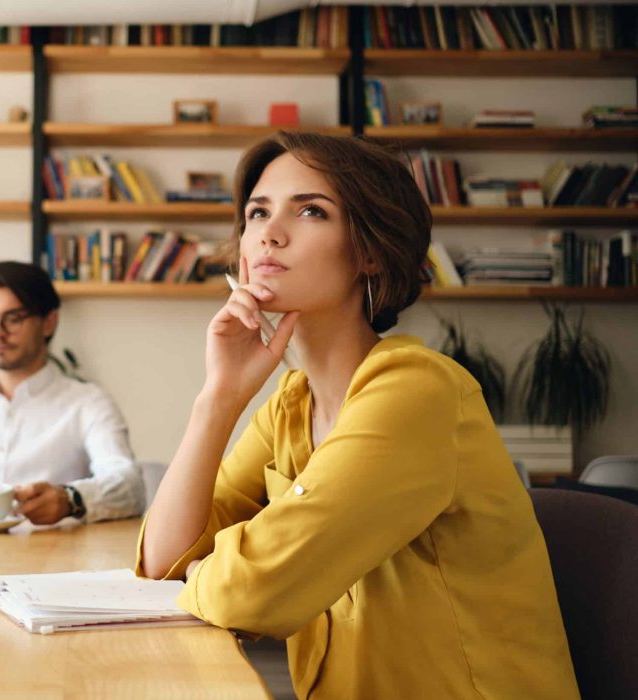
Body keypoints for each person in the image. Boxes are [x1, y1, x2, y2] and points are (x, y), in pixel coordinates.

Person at [137, 132, 579, 699]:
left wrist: (213, 571)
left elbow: (249, 593)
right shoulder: (290, 406)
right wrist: (218, 399)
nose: (270, 232)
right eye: (257, 213)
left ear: (369, 251)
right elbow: (163, 562)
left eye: (311, 211)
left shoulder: (416, 393)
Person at [0, 261, 144, 525]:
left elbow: (130, 486)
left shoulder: (87, 404)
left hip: (52, 557)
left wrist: (71, 499)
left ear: (48, 323)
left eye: (13, 319)